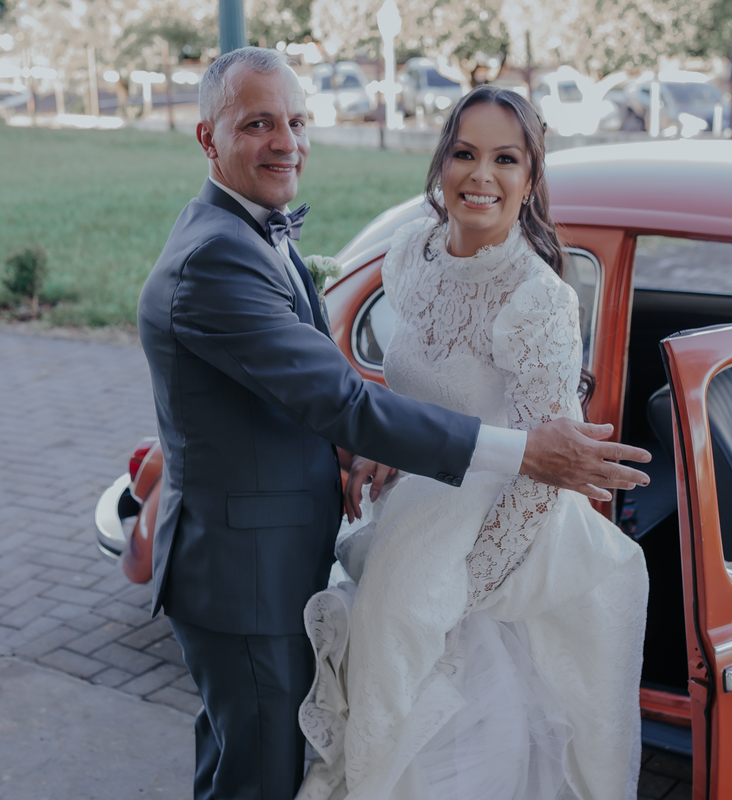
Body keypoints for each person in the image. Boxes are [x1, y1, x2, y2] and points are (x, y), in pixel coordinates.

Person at [137, 48, 650, 800]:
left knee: (250, 760)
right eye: (258, 124)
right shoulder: (223, 257)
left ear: (532, 176)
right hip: (249, 574)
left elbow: (313, 393)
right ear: (208, 139)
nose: (286, 141)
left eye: (296, 122)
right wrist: (523, 452)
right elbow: (342, 399)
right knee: (262, 771)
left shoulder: (244, 231)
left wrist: (368, 456)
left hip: (433, 550)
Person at [294, 86, 650, 800]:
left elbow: (544, 475)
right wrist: (389, 441)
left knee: (441, 750)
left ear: (531, 178)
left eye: (505, 159)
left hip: (488, 546)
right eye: (465, 153)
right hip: (407, 519)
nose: (481, 175)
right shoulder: (412, 253)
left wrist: (459, 594)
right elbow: (414, 387)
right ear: (441, 163)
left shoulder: (538, 300)